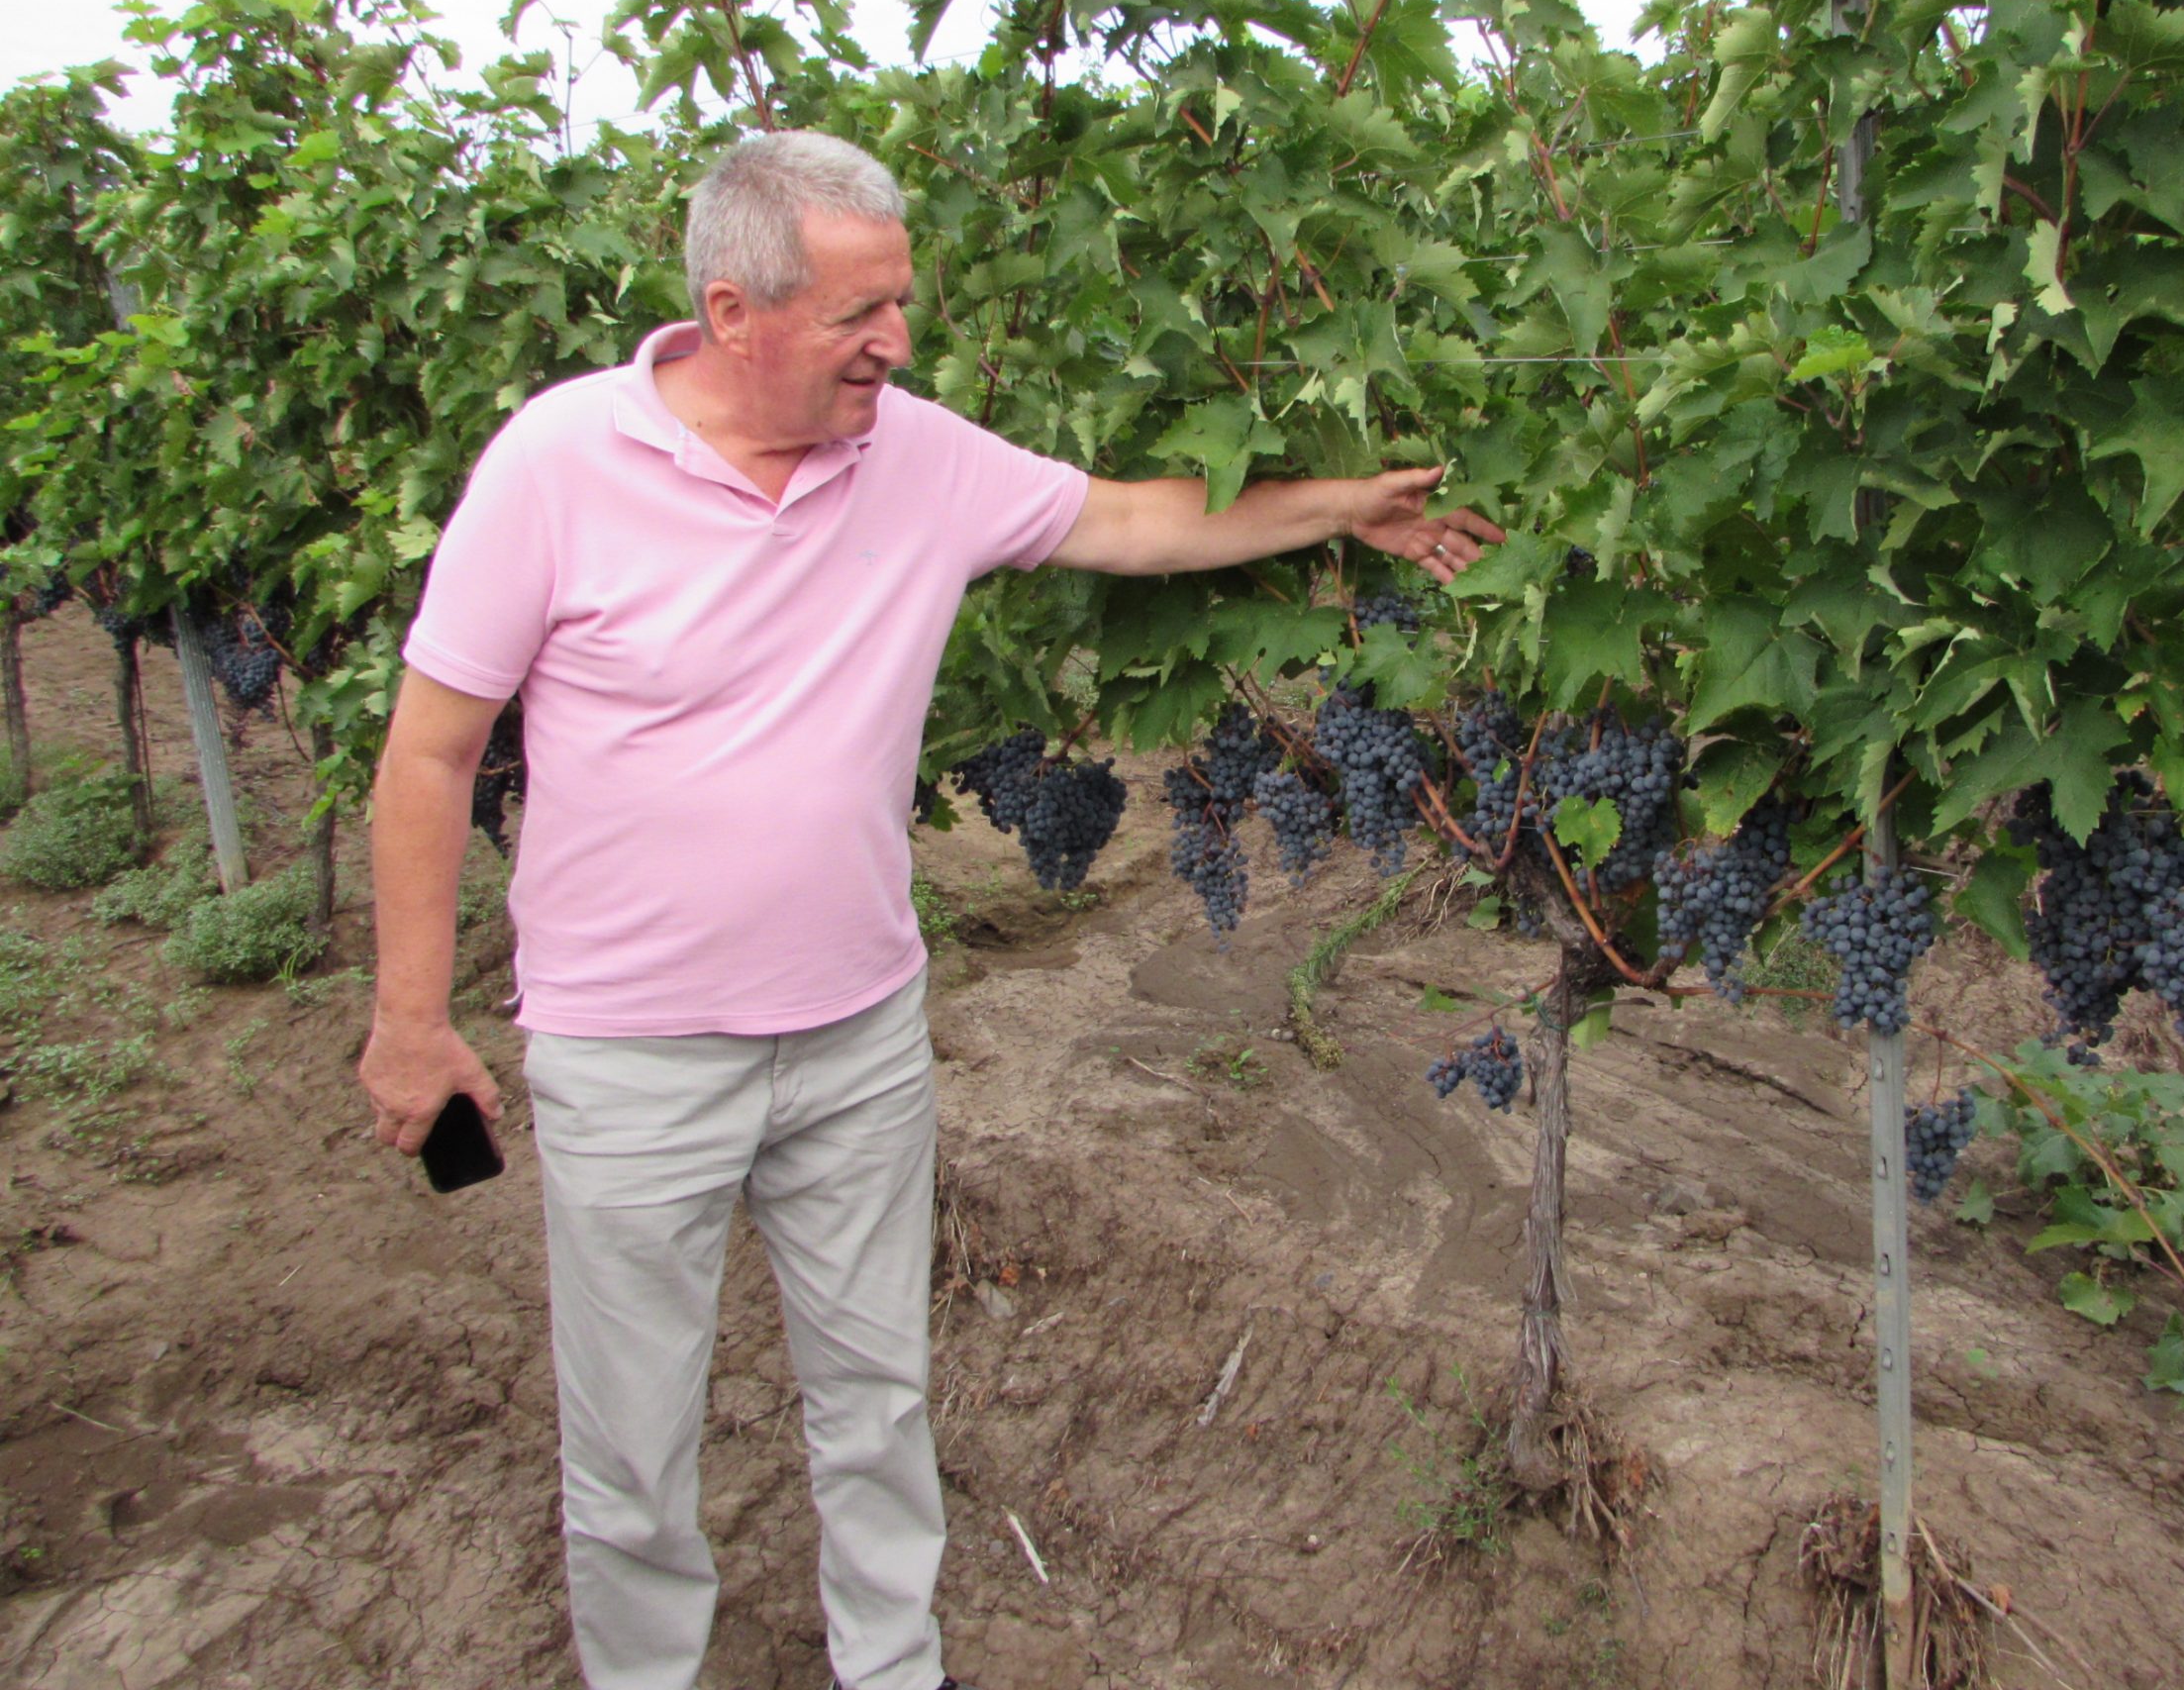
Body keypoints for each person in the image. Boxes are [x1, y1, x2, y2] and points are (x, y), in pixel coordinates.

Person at [355, 130, 1501, 1690]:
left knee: (878, 1401)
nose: (896, 341)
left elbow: (1130, 521)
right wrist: (410, 1022)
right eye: (858, 314)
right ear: (733, 312)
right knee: (630, 1445)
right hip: (630, 1055)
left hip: (858, 1039)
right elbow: (430, 754)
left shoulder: (916, 455)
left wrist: (1338, 506)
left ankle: (893, 1668)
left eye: (900, 303)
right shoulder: (556, 465)